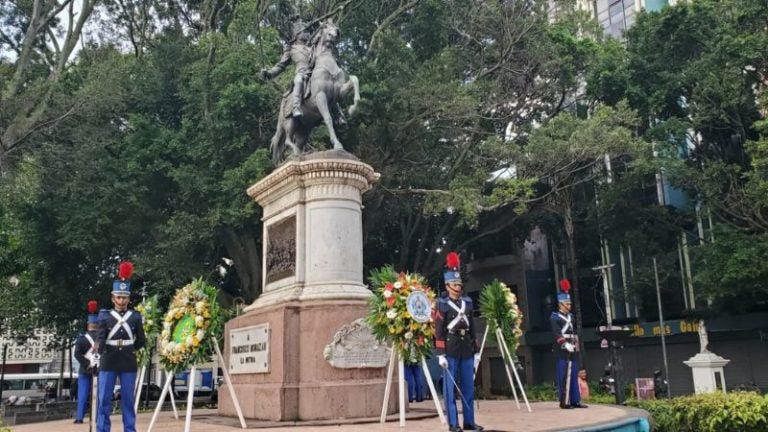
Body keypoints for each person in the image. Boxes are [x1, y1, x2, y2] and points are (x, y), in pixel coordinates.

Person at [434, 251, 483, 432]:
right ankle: (453, 424)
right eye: (454, 284)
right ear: (447, 286)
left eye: (459, 283)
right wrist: (440, 354)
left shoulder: (468, 303)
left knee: (468, 387)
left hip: (466, 349)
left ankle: (469, 421)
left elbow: (472, 328)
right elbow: (438, 331)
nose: (457, 286)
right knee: (450, 389)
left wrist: (476, 351)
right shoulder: (442, 304)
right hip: (451, 347)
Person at [96, 261, 146, 432]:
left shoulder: (135, 317)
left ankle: (130, 429)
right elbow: (100, 338)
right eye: (118, 297)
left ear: (128, 298)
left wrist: (130, 349)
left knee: (128, 400)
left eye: (124, 297)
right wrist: (97, 354)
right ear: (113, 298)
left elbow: (141, 340)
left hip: (127, 360)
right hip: (108, 359)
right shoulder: (104, 316)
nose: (122, 300)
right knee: (103, 399)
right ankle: (103, 429)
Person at [261, 16, 314, 119]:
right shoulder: (291, 50)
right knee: (298, 81)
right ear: (297, 34)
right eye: (304, 32)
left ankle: (337, 113)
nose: (307, 34)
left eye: (307, 32)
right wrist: (269, 73)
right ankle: (296, 107)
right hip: (301, 72)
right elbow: (281, 65)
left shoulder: (312, 48)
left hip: (314, 72)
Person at [551, 279, 587, 409]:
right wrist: (565, 344)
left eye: (570, 303)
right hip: (562, 350)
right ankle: (564, 401)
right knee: (564, 375)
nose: (569, 305)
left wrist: (575, 346)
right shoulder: (554, 317)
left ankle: (575, 400)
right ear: (561, 304)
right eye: (567, 303)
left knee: (574, 374)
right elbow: (557, 333)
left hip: (573, 347)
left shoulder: (571, 316)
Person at [74, 300, 100, 424]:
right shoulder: (102, 338)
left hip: (85, 370)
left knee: (82, 395)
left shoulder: (81, 338)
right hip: (99, 369)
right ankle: (97, 416)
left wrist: (87, 363)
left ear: (88, 324)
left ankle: (79, 417)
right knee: (99, 394)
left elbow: (77, 354)